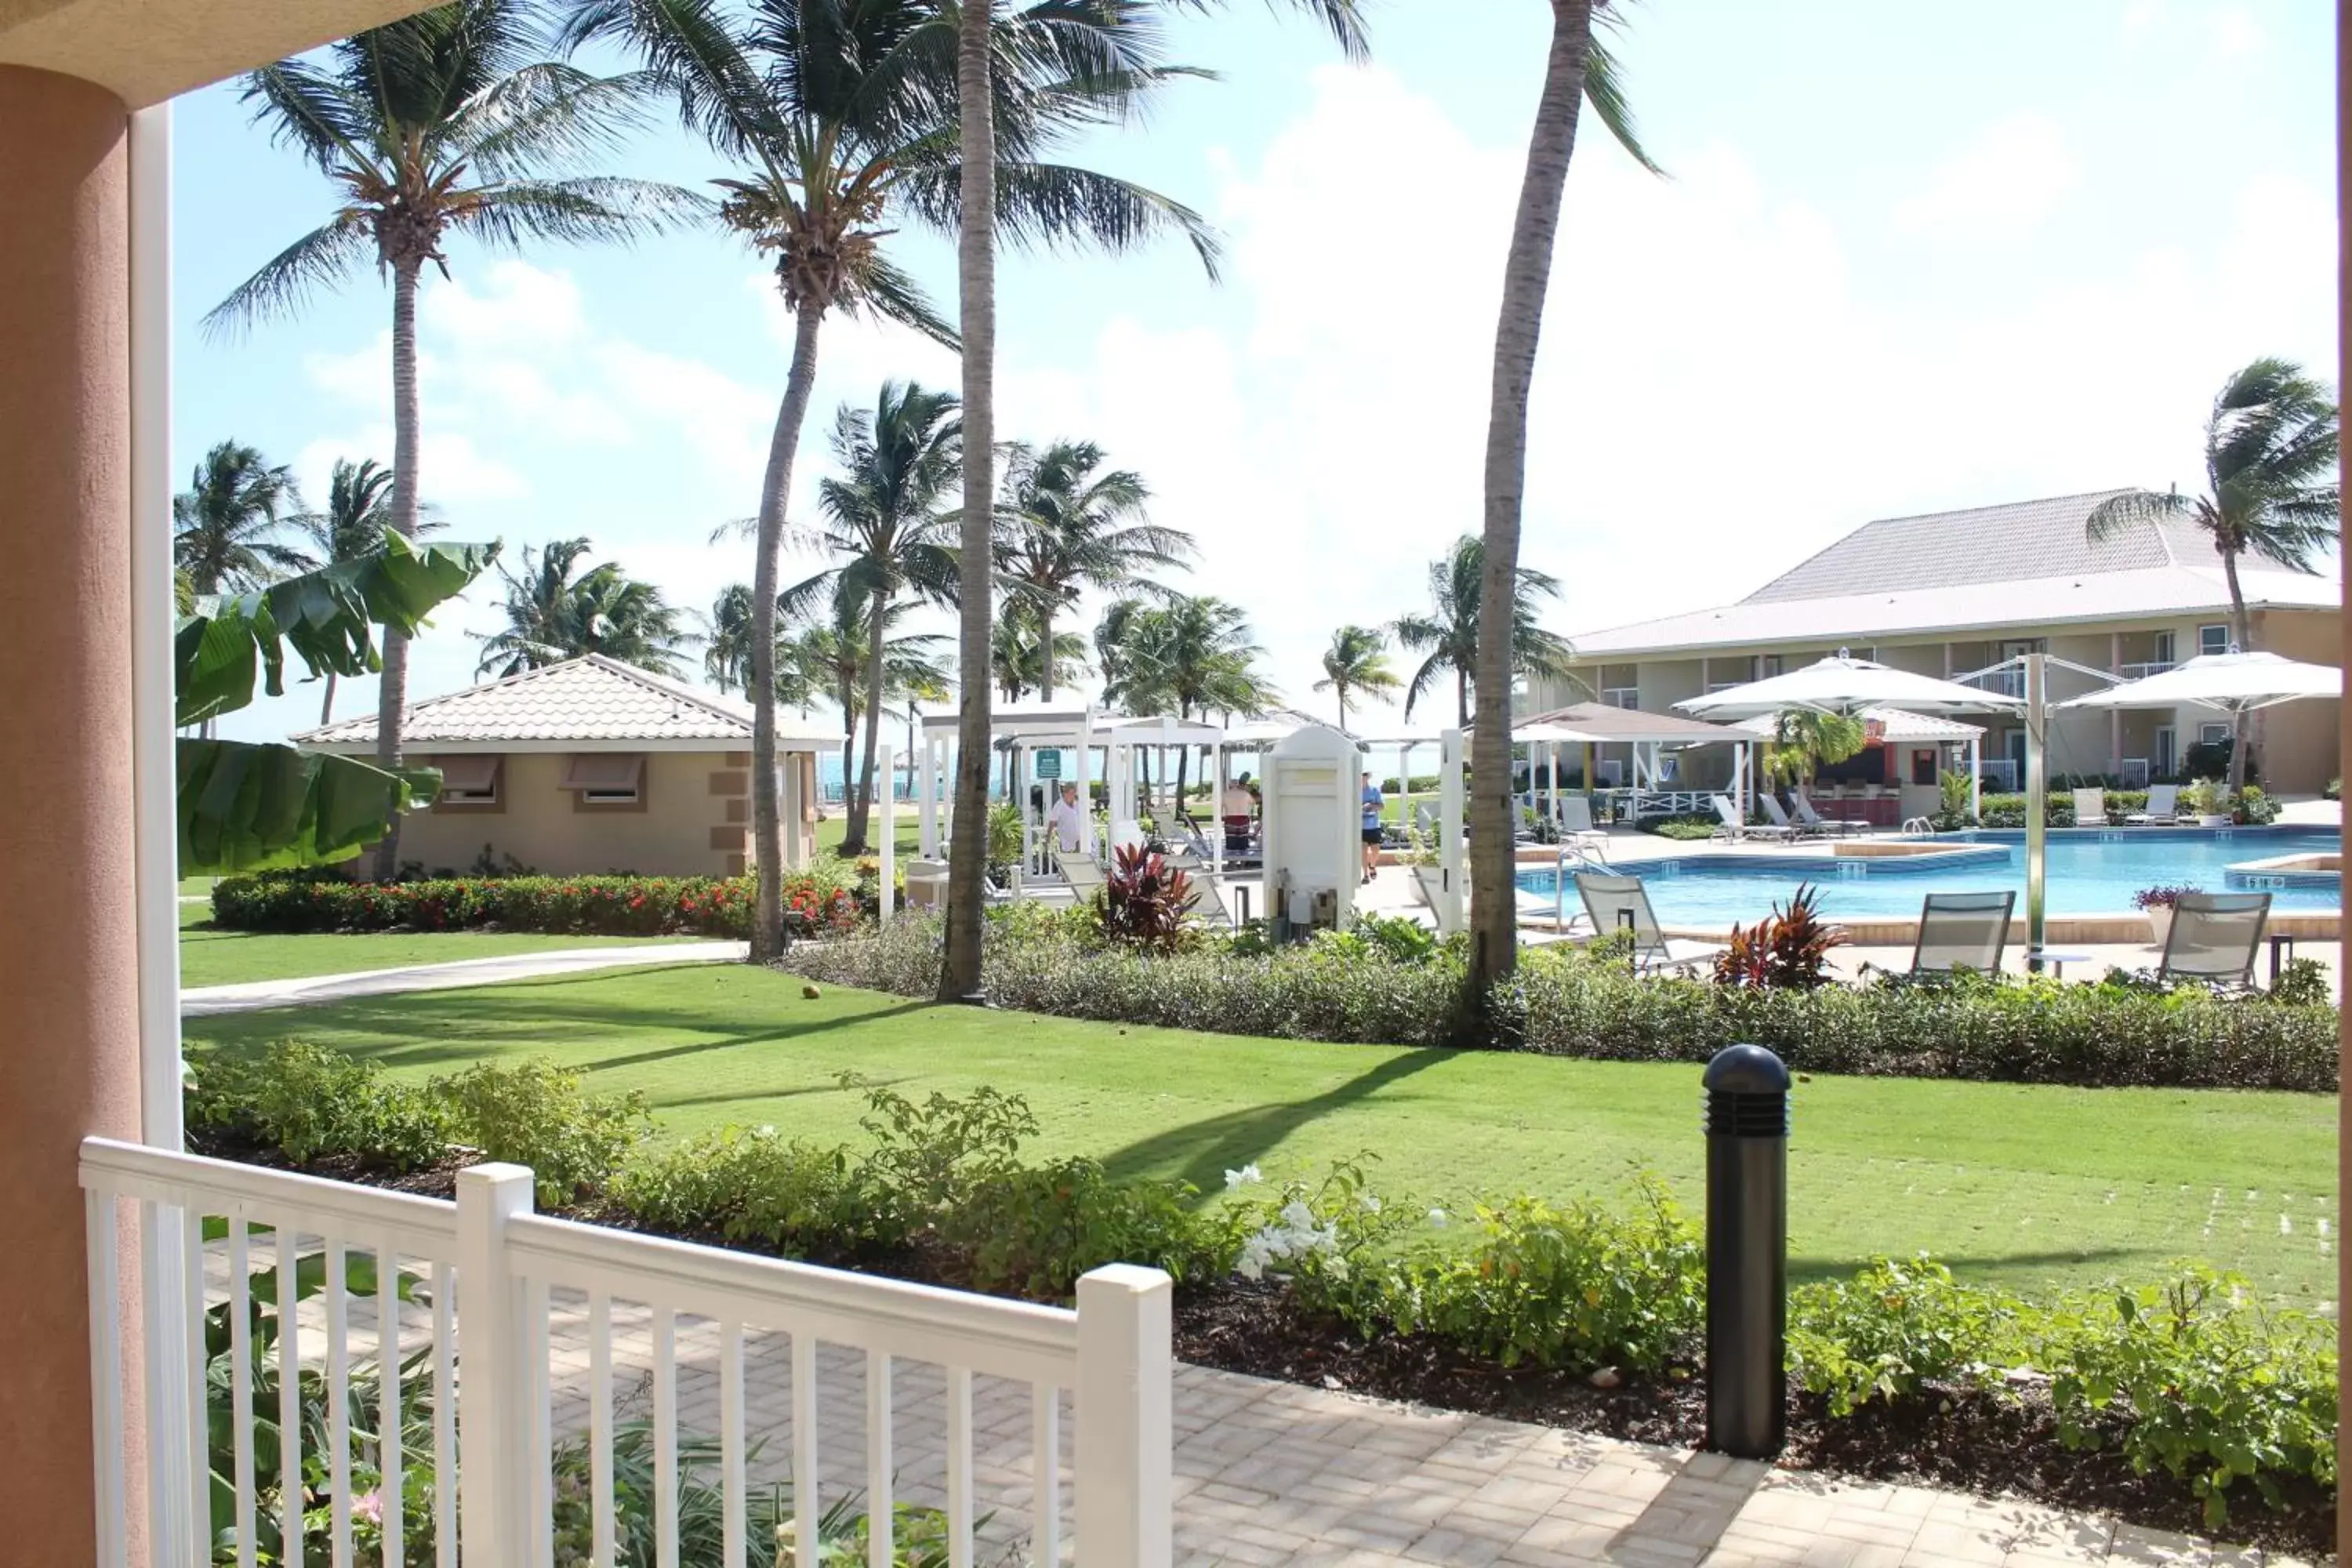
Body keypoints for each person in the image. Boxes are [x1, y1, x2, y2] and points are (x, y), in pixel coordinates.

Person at [1047, 781, 1088, 859]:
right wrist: (1048, 838)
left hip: (1079, 838)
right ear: (1065, 793)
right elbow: (1052, 822)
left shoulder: (1078, 804)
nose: (1072, 795)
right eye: (1070, 793)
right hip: (1065, 839)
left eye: (1074, 792)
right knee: (1066, 861)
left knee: (1078, 860)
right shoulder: (1059, 805)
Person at [1360, 770, 1384, 884]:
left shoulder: (1374, 791)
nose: (1362, 778)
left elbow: (1382, 806)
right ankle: (1365, 875)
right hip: (1360, 828)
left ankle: (1372, 866)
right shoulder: (1355, 792)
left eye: (1364, 775)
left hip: (1374, 826)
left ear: (1367, 777)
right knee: (1363, 851)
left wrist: (1371, 805)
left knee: (1376, 850)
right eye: (1360, 776)